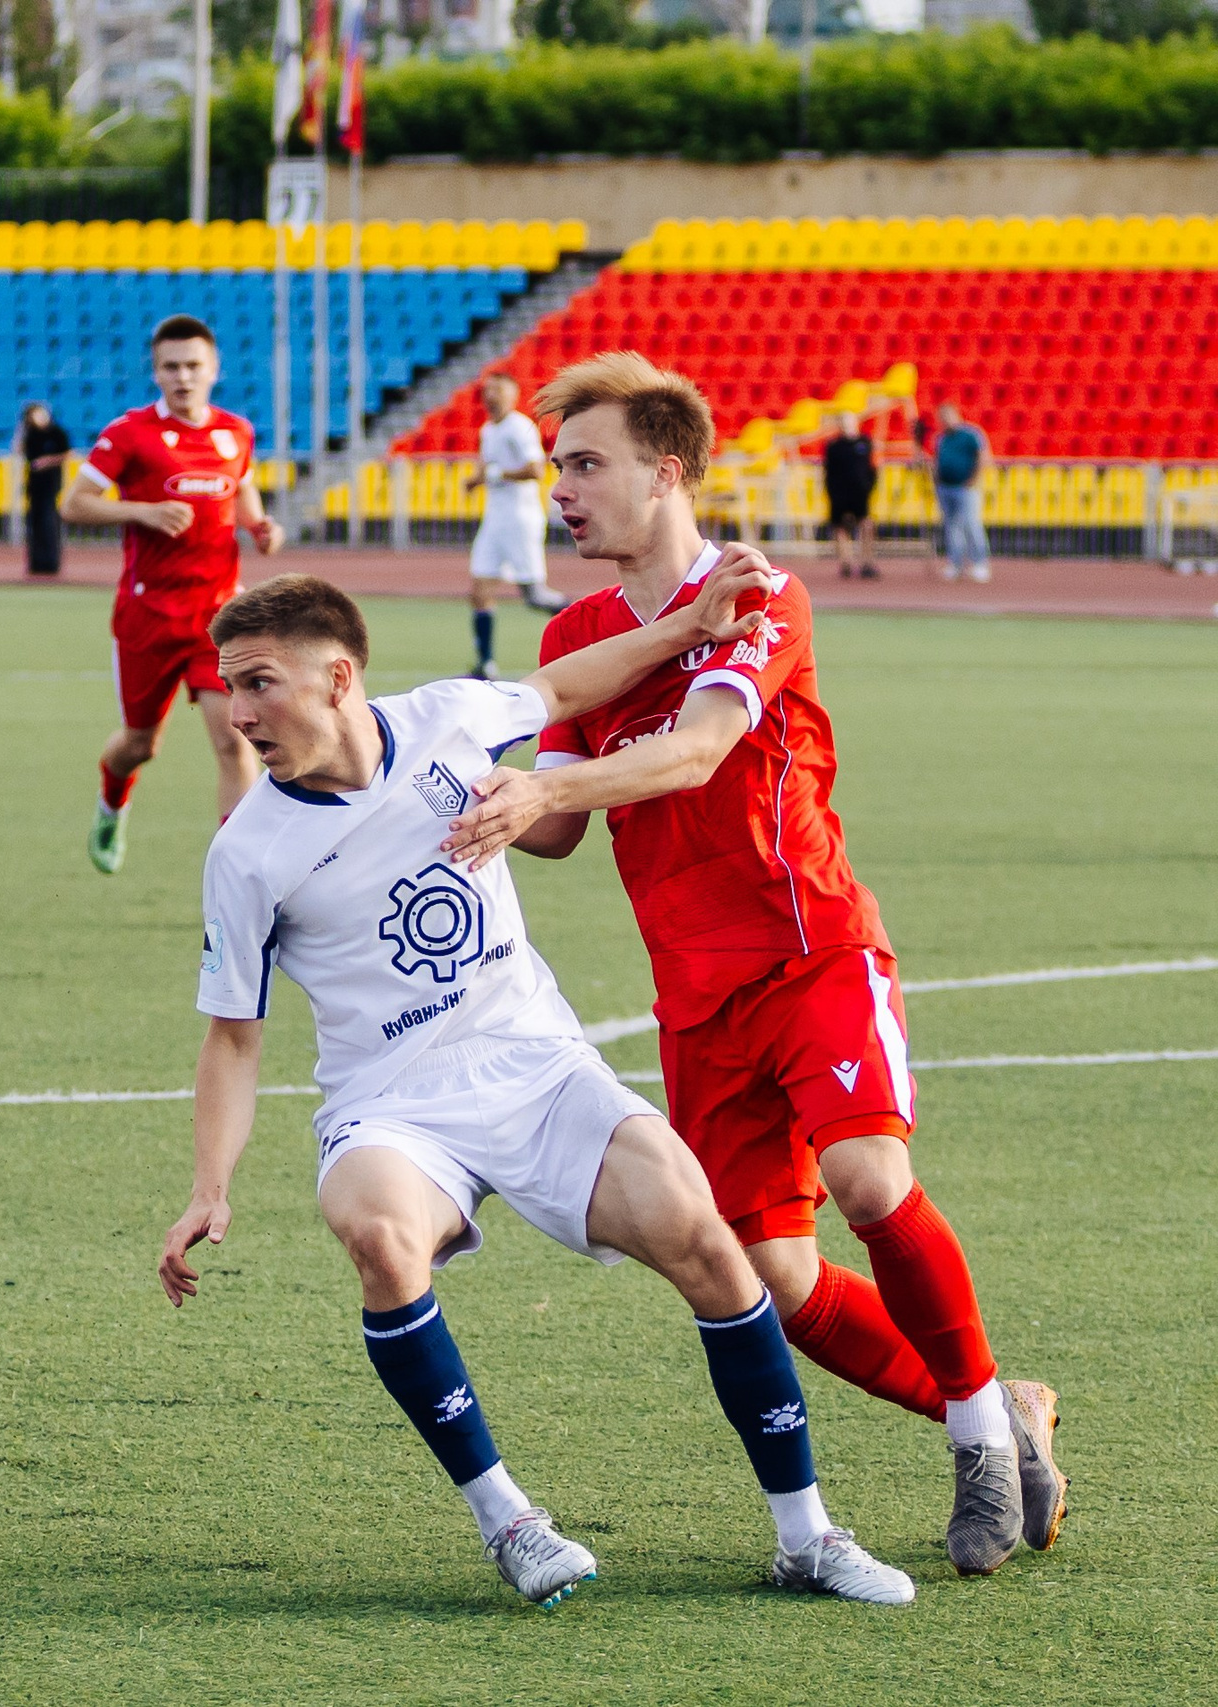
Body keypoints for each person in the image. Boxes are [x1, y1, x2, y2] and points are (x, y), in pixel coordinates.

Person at [160, 571, 913, 1609]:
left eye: (258, 684)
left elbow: (559, 688)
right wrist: (209, 1184)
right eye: (228, 687)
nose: (238, 712)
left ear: (337, 678)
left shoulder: (446, 720)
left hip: (534, 1064)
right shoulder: (245, 852)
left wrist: (688, 626)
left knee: (705, 1240)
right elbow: (233, 1036)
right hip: (390, 1104)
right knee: (379, 1237)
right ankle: (508, 1522)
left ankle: (807, 1535)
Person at [439, 352, 1068, 1577]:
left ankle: (983, 1444)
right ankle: (1008, 1402)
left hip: (809, 948)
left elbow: (697, 749)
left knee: (869, 1182)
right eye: (557, 465)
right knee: (775, 1278)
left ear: (664, 471)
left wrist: (543, 783)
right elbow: (558, 831)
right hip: (694, 993)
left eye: (586, 464)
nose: (560, 487)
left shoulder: (761, 590)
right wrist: (446, 796)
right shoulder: (576, 633)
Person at [63, 314, 284, 873]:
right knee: (140, 744)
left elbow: (242, 487)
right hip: (147, 615)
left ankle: (240, 871)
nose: (182, 377)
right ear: (156, 372)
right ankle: (113, 794)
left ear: (214, 370)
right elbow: (75, 503)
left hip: (218, 617)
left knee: (236, 742)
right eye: (171, 367)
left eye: (193, 366)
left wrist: (260, 526)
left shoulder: (235, 430)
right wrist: (141, 510)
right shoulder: (129, 433)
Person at [463, 371, 568, 681]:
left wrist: (495, 475)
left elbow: (536, 469)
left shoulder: (519, 427)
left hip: (520, 519)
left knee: (534, 596)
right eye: (488, 390)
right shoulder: (488, 430)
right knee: (479, 590)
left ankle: (580, 621)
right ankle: (486, 665)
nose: (490, 395)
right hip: (495, 519)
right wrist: (475, 480)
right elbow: (486, 465)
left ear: (512, 396)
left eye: (498, 390)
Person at [919, 400, 991, 585]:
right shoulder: (941, 438)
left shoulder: (971, 434)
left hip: (965, 487)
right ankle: (955, 563)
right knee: (952, 527)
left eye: (946, 416)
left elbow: (982, 456)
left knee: (970, 524)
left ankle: (979, 562)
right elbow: (936, 459)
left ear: (956, 415)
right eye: (941, 418)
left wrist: (973, 479)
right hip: (945, 487)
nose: (944, 420)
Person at [820, 412, 879, 581]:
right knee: (840, 527)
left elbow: (873, 467)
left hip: (860, 492)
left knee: (866, 524)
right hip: (839, 493)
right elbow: (828, 471)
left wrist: (869, 486)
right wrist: (830, 492)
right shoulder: (833, 446)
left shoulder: (865, 443)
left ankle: (867, 562)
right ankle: (846, 563)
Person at [15, 401, 69, 577]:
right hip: (34, 487)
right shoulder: (30, 434)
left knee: (49, 523)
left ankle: (51, 563)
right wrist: (21, 430)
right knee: (34, 524)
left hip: (51, 485)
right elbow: (18, 450)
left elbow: (67, 453)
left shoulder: (56, 432)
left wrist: (48, 462)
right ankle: (36, 563)